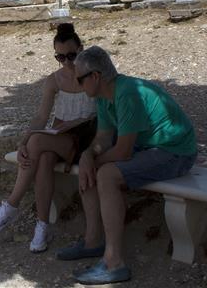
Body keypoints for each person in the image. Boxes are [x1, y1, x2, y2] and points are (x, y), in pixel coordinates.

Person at [57, 46, 197, 285]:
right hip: (150, 147)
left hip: (175, 151)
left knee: (107, 175)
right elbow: (102, 139)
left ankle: (114, 263)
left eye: (80, 80)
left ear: (95, 76)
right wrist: (89, 154)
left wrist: (93, 161)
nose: (78, 85)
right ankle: (92, 241)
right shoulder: (104, 96)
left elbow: (122, 151)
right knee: (90, 166)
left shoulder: (127, 93)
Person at [0, 23, 96, 253]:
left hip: (88, 139)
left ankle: (11, 205)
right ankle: (41, 228)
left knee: (36, 143)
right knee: (42, 158)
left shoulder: (93, 74)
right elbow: (41, 117)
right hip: (61, 138)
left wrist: (29, 141)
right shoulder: (54, 80)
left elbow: (105, 111)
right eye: (60, 57)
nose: (67, 62)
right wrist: (22, 142)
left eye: (72, 55)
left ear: (81, 49)